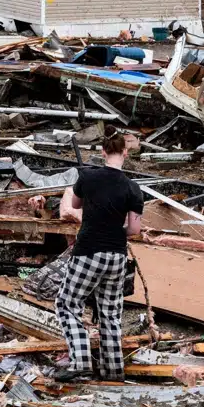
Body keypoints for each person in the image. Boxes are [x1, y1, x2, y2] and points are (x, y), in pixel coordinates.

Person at [54, 128, 143, 382]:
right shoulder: (133, 188)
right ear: (125, 152)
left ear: (103, 151)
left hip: (88, 251)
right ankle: (113, 371)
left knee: (67, 304)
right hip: (116, 256)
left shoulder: (88, 177)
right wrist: (115, 230)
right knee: (110, 314)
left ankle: (80, 361)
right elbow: (134, 230)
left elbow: (74, 206)